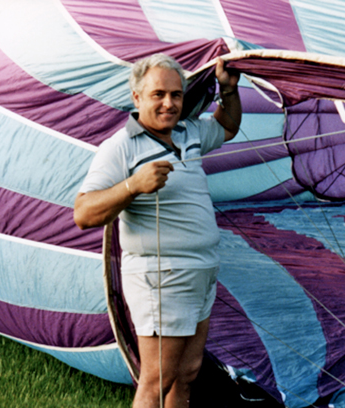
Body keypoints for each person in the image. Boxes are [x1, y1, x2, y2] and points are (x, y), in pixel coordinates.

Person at [73, 53, 241, 408]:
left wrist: (228, 92)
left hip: (201, 270)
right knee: (157, 377)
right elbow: (84, 213)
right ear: (137, 98)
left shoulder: (189, 132)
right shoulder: (120, 148)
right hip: (161, 275)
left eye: (176, 95)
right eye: (158, 94)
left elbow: (227, 126)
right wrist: (133, 185)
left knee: (188, 372)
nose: (169, 103)